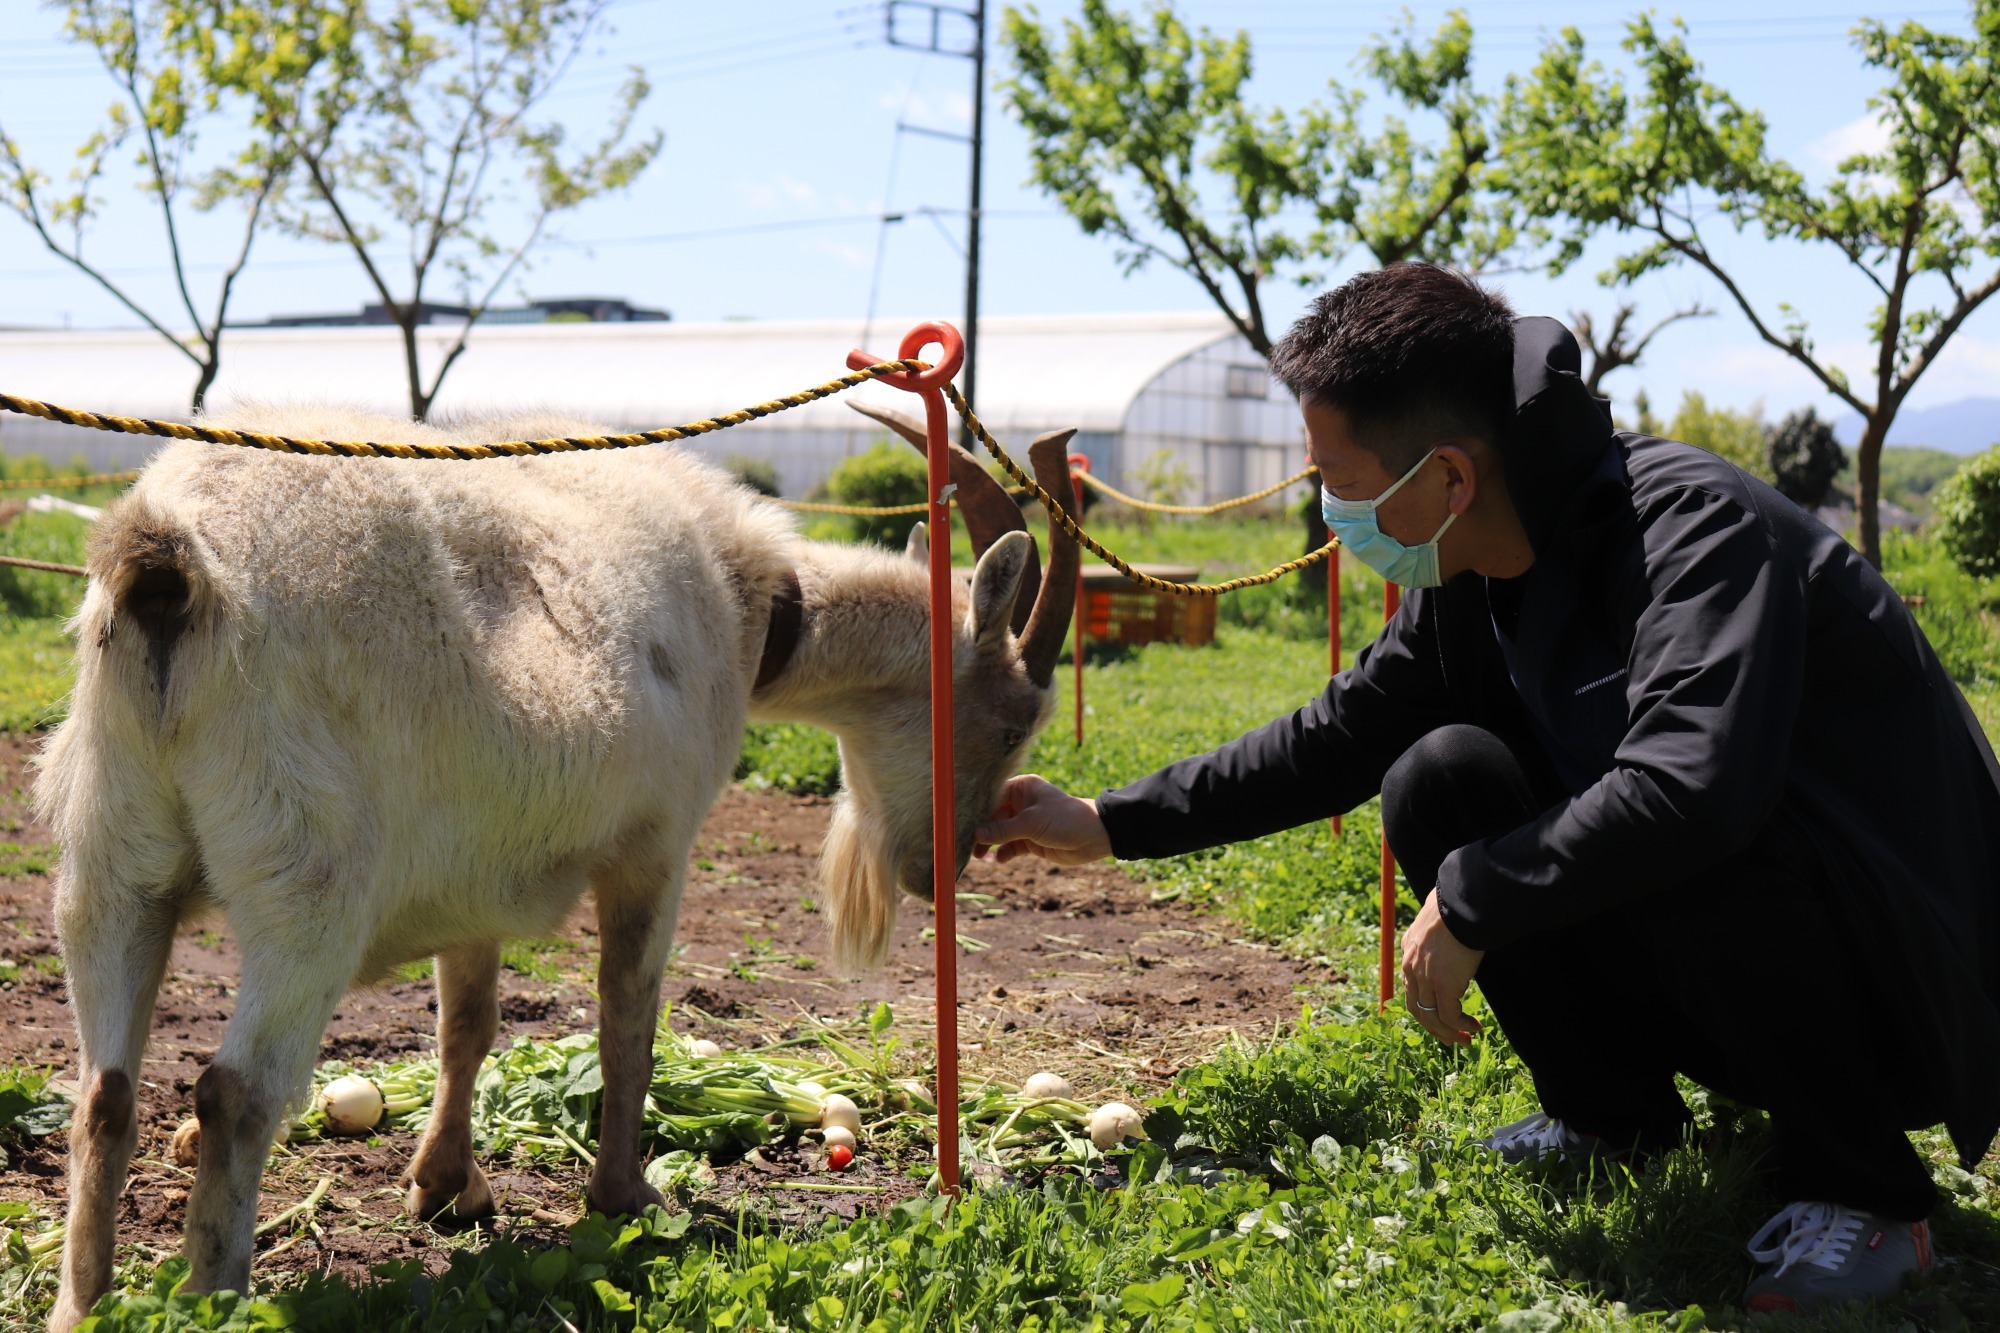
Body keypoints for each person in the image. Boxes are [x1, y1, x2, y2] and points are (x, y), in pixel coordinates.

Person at [974, 263, 2000, 1314]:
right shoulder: (1471, 555)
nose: (1330, 506)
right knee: (1437, 775)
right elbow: (1346, 733)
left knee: (1680, 814)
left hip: (1902, 974)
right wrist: (1108, 822)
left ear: (1448, 476)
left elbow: (1694, 788)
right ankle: (1614, 1121)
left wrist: (1478, 896)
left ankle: (1866, 1194)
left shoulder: (1691, 534)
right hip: (1750, 943)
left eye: (1339, 475)